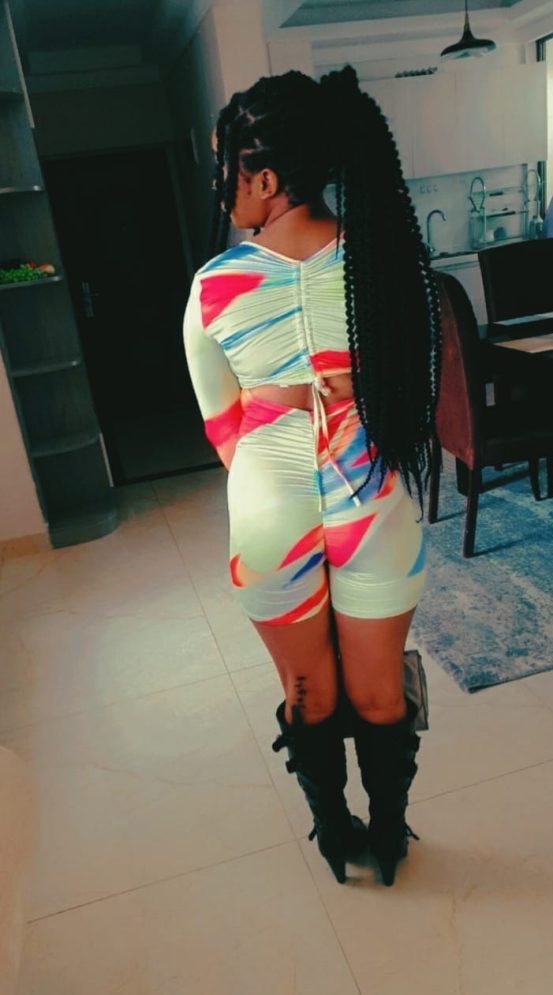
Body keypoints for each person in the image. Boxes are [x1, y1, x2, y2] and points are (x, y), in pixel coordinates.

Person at [183, 66, 441, 886]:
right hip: (374, 501)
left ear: (264, 179)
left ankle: (336, 833)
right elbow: (419, 395)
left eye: (226, 167)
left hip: (270, 510)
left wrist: (276, 469)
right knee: (379, 695)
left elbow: (223, 425)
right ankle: (390, 835)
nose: (221, 186)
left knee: (309, 693)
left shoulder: (212, 288)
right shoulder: (387, 262)